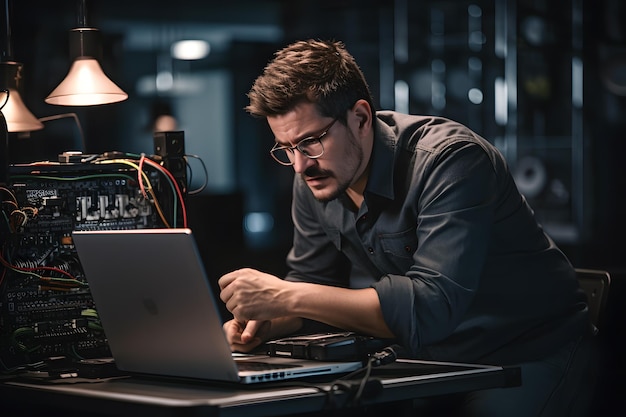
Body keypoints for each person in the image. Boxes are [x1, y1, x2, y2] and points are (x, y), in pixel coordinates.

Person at [218, 39, 594, 416]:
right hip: (424, 360)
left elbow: (430, 308)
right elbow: (314, 284)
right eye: (285, 148)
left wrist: (286, 296)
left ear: (361, 118)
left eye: (311, 142)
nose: (300, 166)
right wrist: (269, 323)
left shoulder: (451, 161)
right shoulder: (316, 178)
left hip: (525, 351)